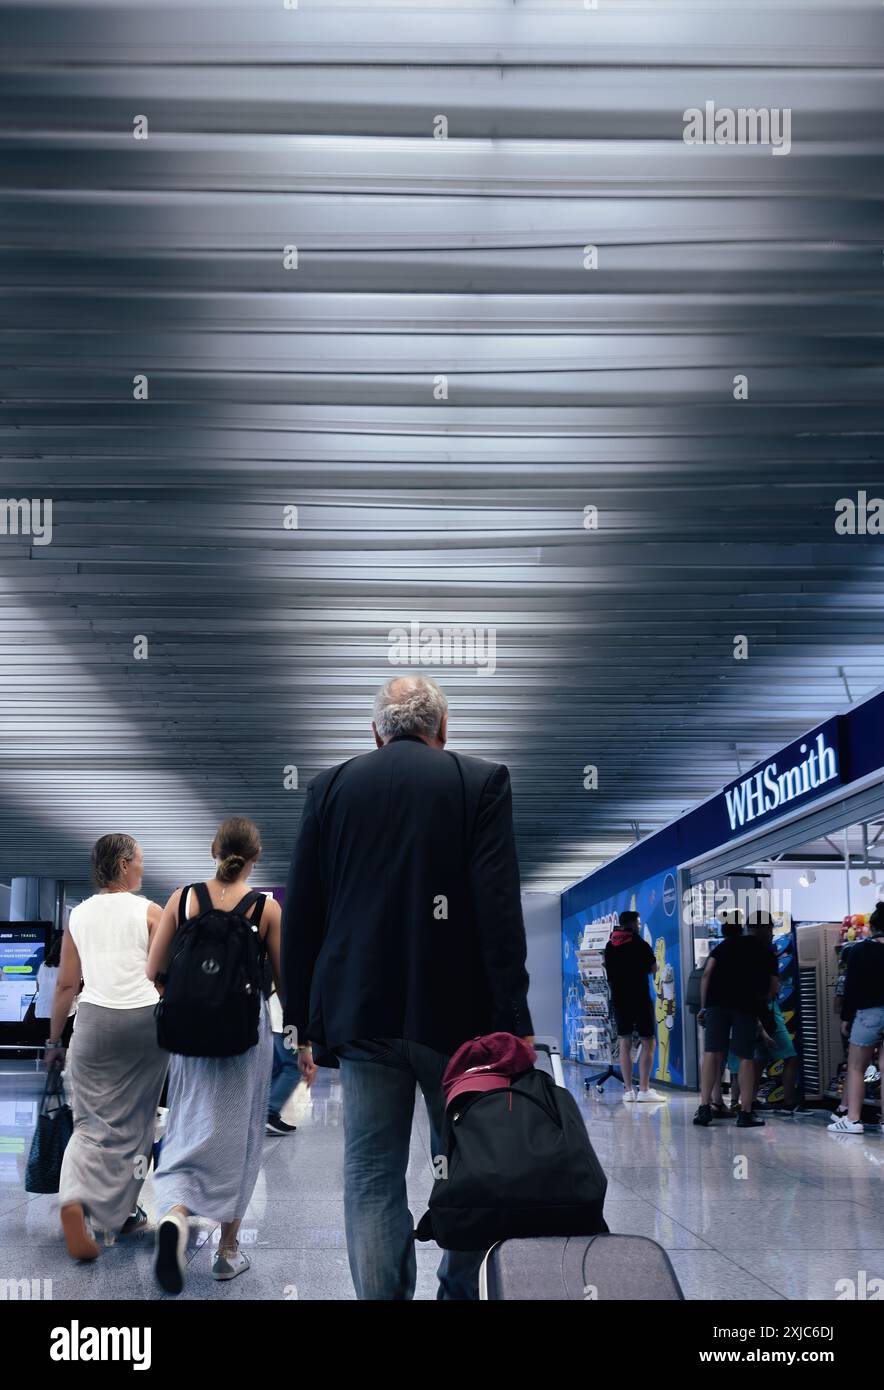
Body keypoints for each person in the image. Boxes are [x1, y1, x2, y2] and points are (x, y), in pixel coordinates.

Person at [282, 674, 533, 1301]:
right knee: (468, 1163)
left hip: (363, 1018)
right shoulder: (479, 781)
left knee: (370, 1173)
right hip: (460, 1024)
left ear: (376, 732)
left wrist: (300, 1020)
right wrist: (514, 1018)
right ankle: (457, 1291)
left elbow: (303, 913)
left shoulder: (330, 787)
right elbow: (498, 912)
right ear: (442, 730)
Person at [146, 816, 310, 1293]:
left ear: (212, 851)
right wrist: (303, 1046)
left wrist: (190, 998)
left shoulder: (184, 898)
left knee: (186, 1122)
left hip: (190, 1034)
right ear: (254, 858)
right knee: (240, 1139)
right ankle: (226, 1253)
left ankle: (175, 1214)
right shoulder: (267, 908)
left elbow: (154, 968)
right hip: (244, 1034)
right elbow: (285, 985)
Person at [47, 835, 169, 1260]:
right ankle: (122, 1214)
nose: (141, 868)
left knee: (89, 1123)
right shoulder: (150, 912)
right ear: (121, 865)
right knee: (136, 1124)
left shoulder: (78, 916)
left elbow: (66, 984)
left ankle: (74, 1199)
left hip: (93, 1020)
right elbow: (165, 975)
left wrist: (53, 1041)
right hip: (143, 1023)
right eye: (138, 860)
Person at [694, 911, 778, 1128]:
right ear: (765, 929)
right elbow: (772, 989)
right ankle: (745, 1112)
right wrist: (761, 999)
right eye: (771, 929)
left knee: (712, 1053)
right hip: (745, 1006)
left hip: (716, 1004)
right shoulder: (765, 951)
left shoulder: (725, 946)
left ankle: (705, 1107)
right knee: (745, 1057)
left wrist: (705, 1006)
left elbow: (706, 974)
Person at [828, 901, 884, 1134]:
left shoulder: (860, 951)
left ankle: (852, 1119)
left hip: (868, 1014)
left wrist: (847, 1017)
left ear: (871, 926)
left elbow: (852, 988)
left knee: (856, 1067)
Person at [603, 911, 666, 1102]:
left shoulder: (609, 945)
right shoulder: (640, 944)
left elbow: (607, 967)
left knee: (624, 1041)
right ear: (632, 924)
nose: (639, 925)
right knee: (648, 1041)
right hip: (639, 998)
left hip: (619, 999)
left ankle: (628, 1091)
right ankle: (645, 1090)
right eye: (638, 922)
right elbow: (653, 968)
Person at [30, 933, 76, 1047]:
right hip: (63, 1014)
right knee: (65, 1046)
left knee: (43, 1049)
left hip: (42, 1012)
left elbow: (39, 988)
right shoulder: (69, 965)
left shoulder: (44, 965)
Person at [266, 984, 300, 1135]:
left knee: (277, 1067)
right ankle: (269, 1113)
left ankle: (266, 1113)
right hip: (287, 1024)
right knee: (294, 1066)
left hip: (275, 1018)